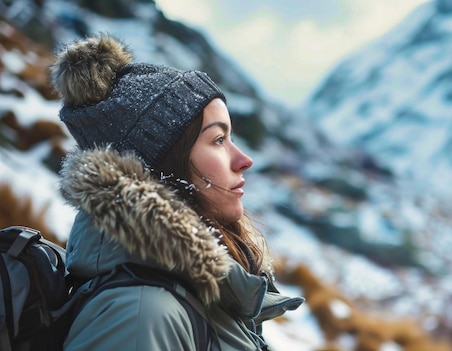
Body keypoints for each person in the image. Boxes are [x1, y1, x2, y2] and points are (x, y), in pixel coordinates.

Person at [50, 34, 303, 350]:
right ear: (163, 167)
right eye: (218, 140)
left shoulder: (193, 295)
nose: (243, 160)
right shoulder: (142, 317)